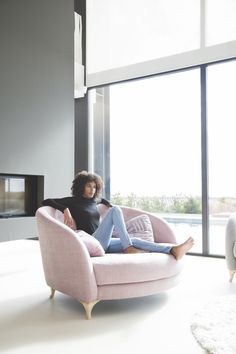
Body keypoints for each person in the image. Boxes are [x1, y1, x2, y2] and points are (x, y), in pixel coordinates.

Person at [42, 171, 194, 259]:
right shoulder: (73, 201)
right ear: (81, 186)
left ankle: (172, 250)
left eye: (95, 187)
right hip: (93, 242)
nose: (92, 190)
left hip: (103, 243)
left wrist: (107, 203)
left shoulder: (94, 202)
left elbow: (102, 199)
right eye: (88, 186)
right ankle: (128, 247)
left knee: (133, 239)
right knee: (116, 211)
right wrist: (65, 210)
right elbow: (45, 201)